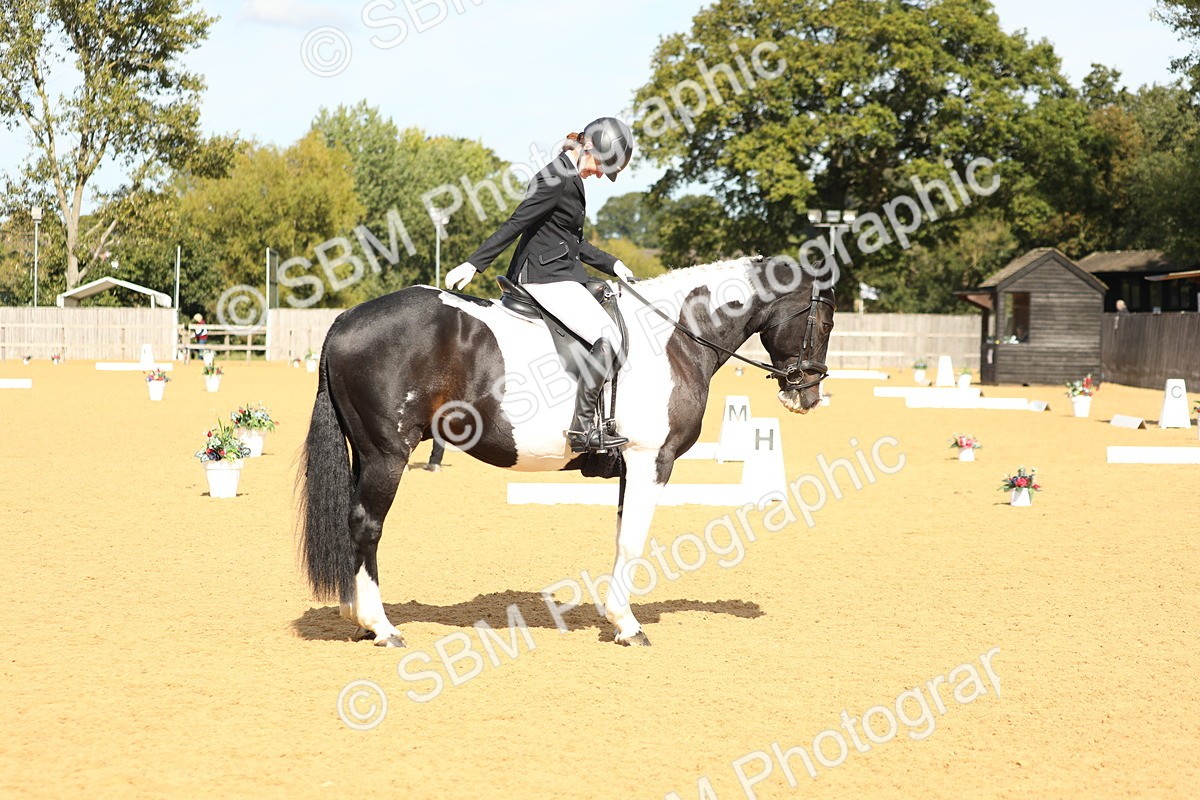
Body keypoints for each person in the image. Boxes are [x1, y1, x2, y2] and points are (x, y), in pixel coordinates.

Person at [445, 117, 635, 453]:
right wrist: (475, 263)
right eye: (601, 165)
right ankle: (582, 430)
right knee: (607, 338)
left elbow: (570, 241)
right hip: (543, 277)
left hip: (561, 270)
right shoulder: (555, 176)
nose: (601, 174)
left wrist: (614, 264)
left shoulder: (570, 175)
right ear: (589, 147)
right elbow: (517, 222)